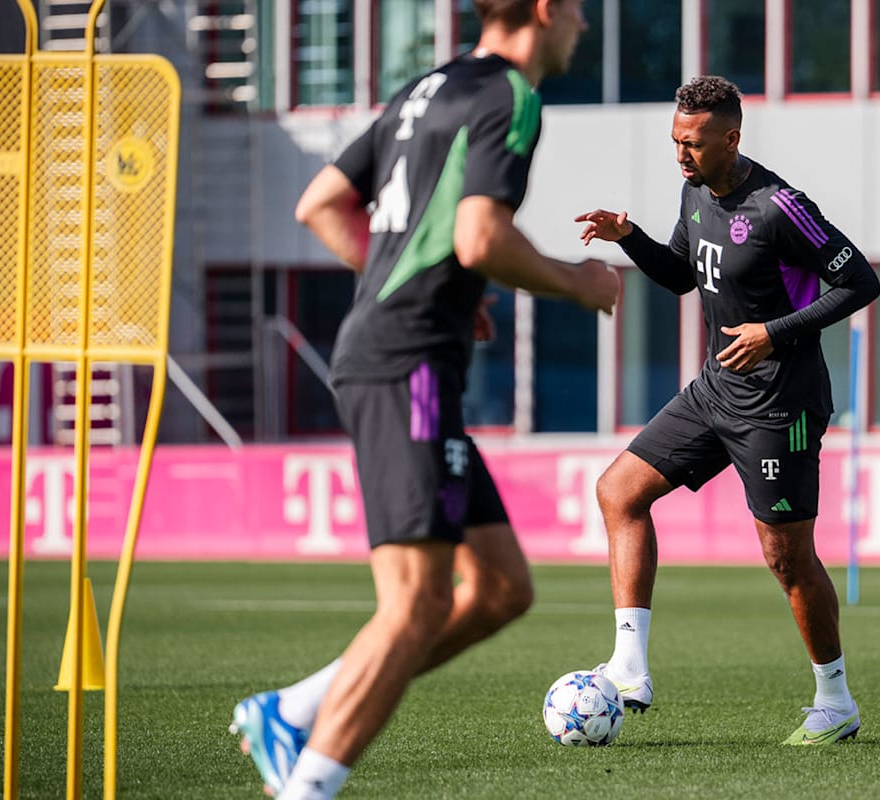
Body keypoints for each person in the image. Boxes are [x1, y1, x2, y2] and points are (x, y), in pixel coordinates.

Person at [228, 2, 619, 797]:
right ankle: (307, 785)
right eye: (577, 10)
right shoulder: (512, 95)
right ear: (544, 11)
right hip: (406, 364)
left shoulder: (423, 89)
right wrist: (575, 282)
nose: (582, 25)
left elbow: (321, 205)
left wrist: (418, 279)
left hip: (399, 355)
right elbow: (481, 236)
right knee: (415, 604)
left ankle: (294, 709)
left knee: (501, 589)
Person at [575, 75, 880, 745]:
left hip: (780, 407)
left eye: (694, 143)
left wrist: (775, 332)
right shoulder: (694, 191)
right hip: (716, 390)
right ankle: (630, 667)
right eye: (676, 141)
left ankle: (835, 701)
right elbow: (682, 275)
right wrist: (629, 237)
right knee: (619, 491)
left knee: (786, 559)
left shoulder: (780, 207)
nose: (681, 155)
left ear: (732, 139)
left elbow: (861, 281)